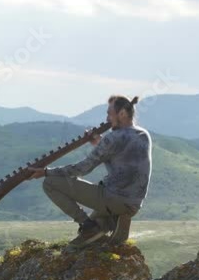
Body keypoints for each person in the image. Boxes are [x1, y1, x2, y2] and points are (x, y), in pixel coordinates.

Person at [26, 95, 151, 248]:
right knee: (89, 238)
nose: (107, 118)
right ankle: (114, 220)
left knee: (50, 183)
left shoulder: (112, 139)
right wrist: (100, 144)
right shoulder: (144, 135)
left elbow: (82, 169)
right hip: (133, 204)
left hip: (112, 198)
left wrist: (45, 172)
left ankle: (88, 225)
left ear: (122, 114)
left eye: (109, 113)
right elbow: (121, 161)